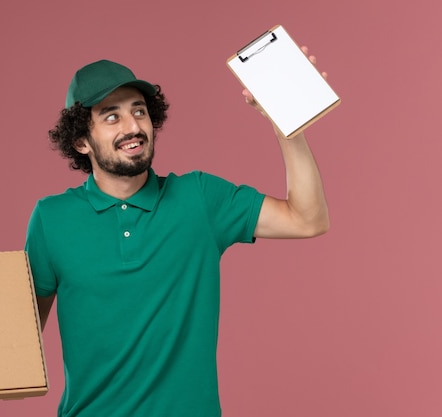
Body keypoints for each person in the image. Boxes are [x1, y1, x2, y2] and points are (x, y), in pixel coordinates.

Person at [24, 54, 330, 417]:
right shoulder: (52, 218)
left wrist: (287, 123)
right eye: (111, 116)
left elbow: (307, 219)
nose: (132, 126)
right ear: (80, 142)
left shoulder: (199, 199)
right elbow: (20, 342)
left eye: (139, 111)